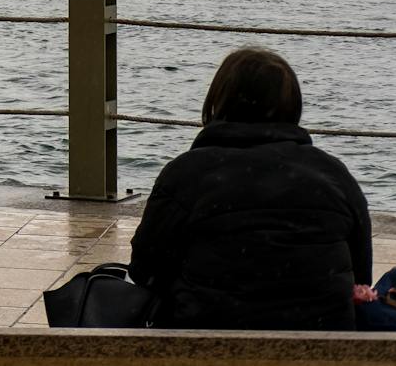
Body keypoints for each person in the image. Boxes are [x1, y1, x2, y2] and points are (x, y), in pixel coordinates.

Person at [130, 47, 371, 330]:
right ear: (293, 106)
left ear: (219, 101)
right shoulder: (333, 174)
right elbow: (361, 277)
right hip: (323, 344)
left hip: (206, 341)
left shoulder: (186, 174)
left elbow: (145, 270)